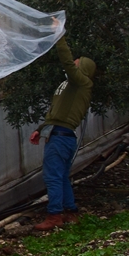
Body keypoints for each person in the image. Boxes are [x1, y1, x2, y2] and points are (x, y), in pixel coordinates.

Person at [30, 34, 97, 231]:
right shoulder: (70, 86)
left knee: (52, 176)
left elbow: (66, 61)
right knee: (61, 176)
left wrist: (59, 36)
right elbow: (57, 113)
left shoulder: (81, 83)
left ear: (82, 69)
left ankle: (54, 215)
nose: (72, 64)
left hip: (60, 138)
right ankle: (71, 212)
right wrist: (40, 129)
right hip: (60, 134)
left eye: (77, 63)